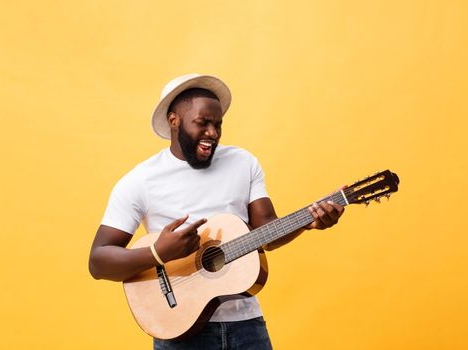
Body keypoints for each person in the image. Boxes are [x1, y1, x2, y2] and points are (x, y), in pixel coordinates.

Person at [89, 73, 345, 349]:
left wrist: (309, 222)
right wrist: (157, 253)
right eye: (203, 123)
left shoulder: (243, 163)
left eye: (218, 124)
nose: (212, 133)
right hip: (179, 328)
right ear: (174, 120)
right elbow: (99, 261)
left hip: (247, 326)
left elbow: (266, 233)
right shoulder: (140, 181)